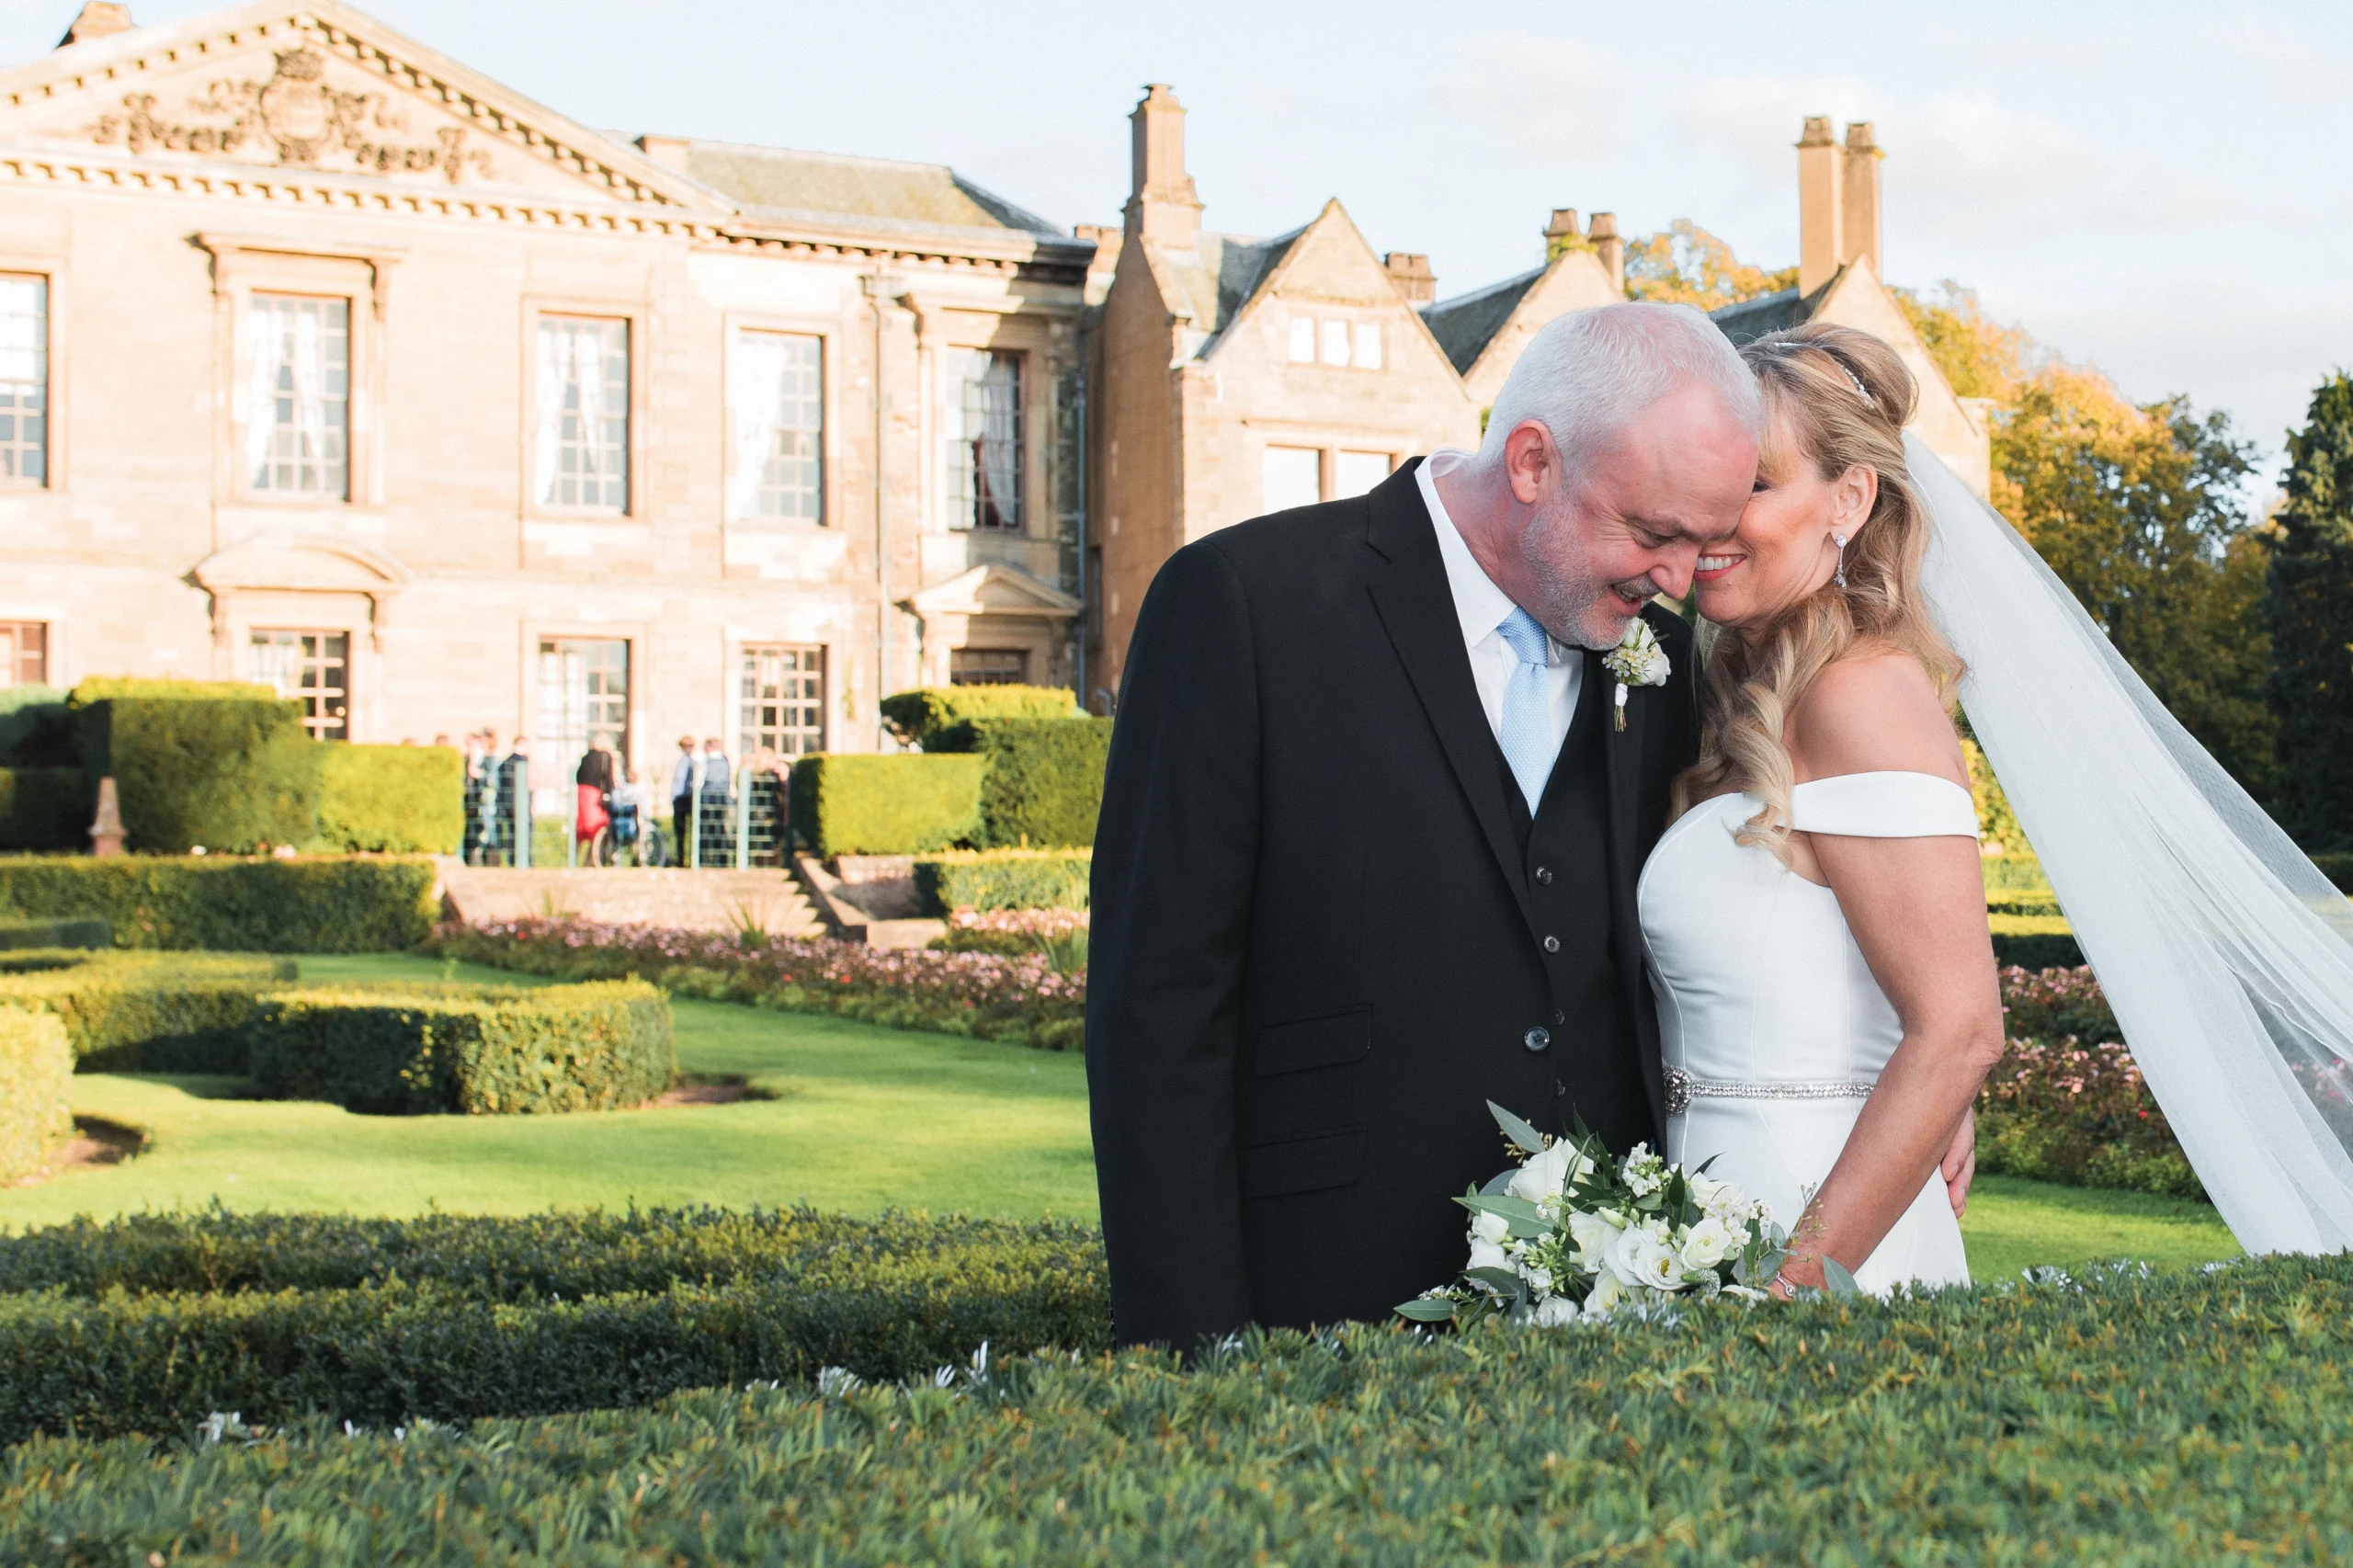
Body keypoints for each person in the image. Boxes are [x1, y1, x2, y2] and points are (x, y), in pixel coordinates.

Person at [1087, 302, 1775, 1350]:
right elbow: (1158, 1013)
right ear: (1534, 461)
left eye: (1703, 543)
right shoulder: (1242, 605)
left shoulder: (1665, 665)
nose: (1678, 582)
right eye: (1652, 533)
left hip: (1604, 1325)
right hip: (1320, 1300)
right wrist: (1193, 1354)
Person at [1639, 324, 2000, 1296]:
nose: (1712, 521)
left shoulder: (1860, 692)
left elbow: (1960, 1024)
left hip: (1820, 1242)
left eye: (1753, 485)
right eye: (1700, 487)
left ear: (1849, 498)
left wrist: (1782, 1290)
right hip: (1704, 1213)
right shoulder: (1735, 699)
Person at [575, 733, 616, 865]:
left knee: (583, 828)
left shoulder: (585, 757)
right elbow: (608, 778)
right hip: (596, 796)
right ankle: (595, 859)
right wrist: (610, 795)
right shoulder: (606, 757)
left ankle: (576, 860)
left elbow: (578, 776)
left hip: (583, 794)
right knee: (598, 828)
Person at [610, 765, 650, 866]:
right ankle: (641, 857)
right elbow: (644, 808)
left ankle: (615, 856)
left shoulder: (617, 792)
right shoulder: (638, 790)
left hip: (616, 823)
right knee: (644, 828)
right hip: (634, 823)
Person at [669, 734, 698, 867]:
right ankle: (680, 860)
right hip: (680, 799)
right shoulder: (681, 761)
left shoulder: (695, 761)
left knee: (693, 831)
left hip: (689, 798)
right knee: (680, 831)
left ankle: (693, 859)